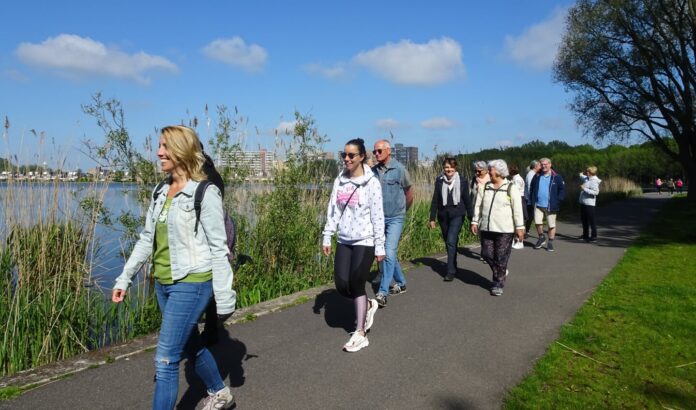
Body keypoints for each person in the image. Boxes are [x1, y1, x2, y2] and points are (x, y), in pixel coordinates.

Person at [112, 126, 236, 410]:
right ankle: (220, 393)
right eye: (159, 146)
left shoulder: (205, 192)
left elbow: (219, 249)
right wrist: (124, 278)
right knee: (191, 345)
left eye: (165, 146)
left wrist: (224, 296)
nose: (159, 153)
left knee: (166, 360)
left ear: (182, 150)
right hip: (163, 282)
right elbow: (147, 239)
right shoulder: (161, 191)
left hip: (192, 282)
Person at [323, 138, 384, 352]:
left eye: (351, 155)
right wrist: (327, 235)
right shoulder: (340, 180)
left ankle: (360, 333)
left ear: (362, 157)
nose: (346, 159)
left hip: (365, 239)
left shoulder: (372, 183)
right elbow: (333, 210)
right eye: (344, 155)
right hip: (344, 238)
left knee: (357, 282)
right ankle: (367, 304)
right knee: (342, 284)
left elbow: (378, 216)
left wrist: (380, 246)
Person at [470, 159, 525, 296]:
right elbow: (478, 205)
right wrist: (474, 221)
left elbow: (517, 209)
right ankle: (501, 270)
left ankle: (498, 283)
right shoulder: (485, 187)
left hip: (505, 230)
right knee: (486, 254)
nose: (488, 172)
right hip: (487, 227)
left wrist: (520, 227)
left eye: (491, 169)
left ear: (499, 172)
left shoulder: (511, 188)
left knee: (501, 257)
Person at [372, 139, 413, 307]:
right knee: (388, 253)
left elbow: (409, 192)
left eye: (379, 151)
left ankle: (383, 292)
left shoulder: (400, 169)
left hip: (396, 217)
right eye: (374, 151)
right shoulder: (373, 171)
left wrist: (402, 210)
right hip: (379, 219)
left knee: (388, 252)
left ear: (388, 151)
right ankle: (401, 282)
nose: (376, 154)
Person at [429, 157, 473, 281]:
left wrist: (471, 218)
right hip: (443, 216)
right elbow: (435, 200)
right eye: (446, 167)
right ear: (443, 168)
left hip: (457, 215)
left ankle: (450, 271)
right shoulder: (439, 181)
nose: (449, 170)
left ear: (455, 168)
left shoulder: (463, 181)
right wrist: (432, 218)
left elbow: (467, 200)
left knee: (451, 240)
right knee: (449, 243)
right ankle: (453, 264)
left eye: (451, 167)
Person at [529, 157, 566, 252]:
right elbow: (532, 188)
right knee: (537, 222)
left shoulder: (556, 177)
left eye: (545, 164)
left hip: (551, 205)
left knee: (551, 225)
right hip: (538, 204)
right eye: (541, 164)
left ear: (550, 164)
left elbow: (562, 189)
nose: (543, 166)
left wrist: (558, 200)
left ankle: (550, 242)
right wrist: (532, 200)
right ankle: (541, 237)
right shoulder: (537, 176)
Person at [578, 166, 601, 242]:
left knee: (591, 220)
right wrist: (581, 174)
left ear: (591, 173)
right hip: (583, 202)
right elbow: (583, 177)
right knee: (584, 220)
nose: (586, 172)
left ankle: (594, 236)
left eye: (588, 171)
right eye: (586, 171)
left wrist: (584, 189)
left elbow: (596, 192)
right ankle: (585, 235)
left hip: (589, 204)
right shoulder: (587, 178)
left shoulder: (594, 181)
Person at [508, 165, 527, 249]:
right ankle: (514, 239)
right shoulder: (513, 179)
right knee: (513, 221)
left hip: (519, 199)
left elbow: (516, 191)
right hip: (515, 199)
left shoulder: (517, 179)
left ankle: (520, 241)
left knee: (519, 220)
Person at [524, 160, 540, 235]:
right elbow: (530, 187)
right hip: (530, 199)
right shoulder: (531, 175)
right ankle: (526, 231)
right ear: (535, 166)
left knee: (530, 216)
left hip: (531, 198)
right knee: (530, 216)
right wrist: (532, 198)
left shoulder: (533, 174)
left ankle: (526, 230)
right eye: (539, 165)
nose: (540, 167)